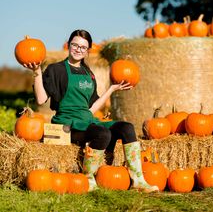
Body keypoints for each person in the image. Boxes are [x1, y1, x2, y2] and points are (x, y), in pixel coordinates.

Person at [23, 29, 159, 193]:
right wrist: (37, 73)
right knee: (102, 134)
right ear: (69, 45)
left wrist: (111, 89)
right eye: (75, 45)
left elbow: (91, 108)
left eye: (83, 47)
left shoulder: (89, 74)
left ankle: (138, 179)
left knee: (126, 127)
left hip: (87, 121)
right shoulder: (56, 69)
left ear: (88, 51)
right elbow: (41, 99)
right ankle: (87, 177)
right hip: (68, 124)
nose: (78, 49)